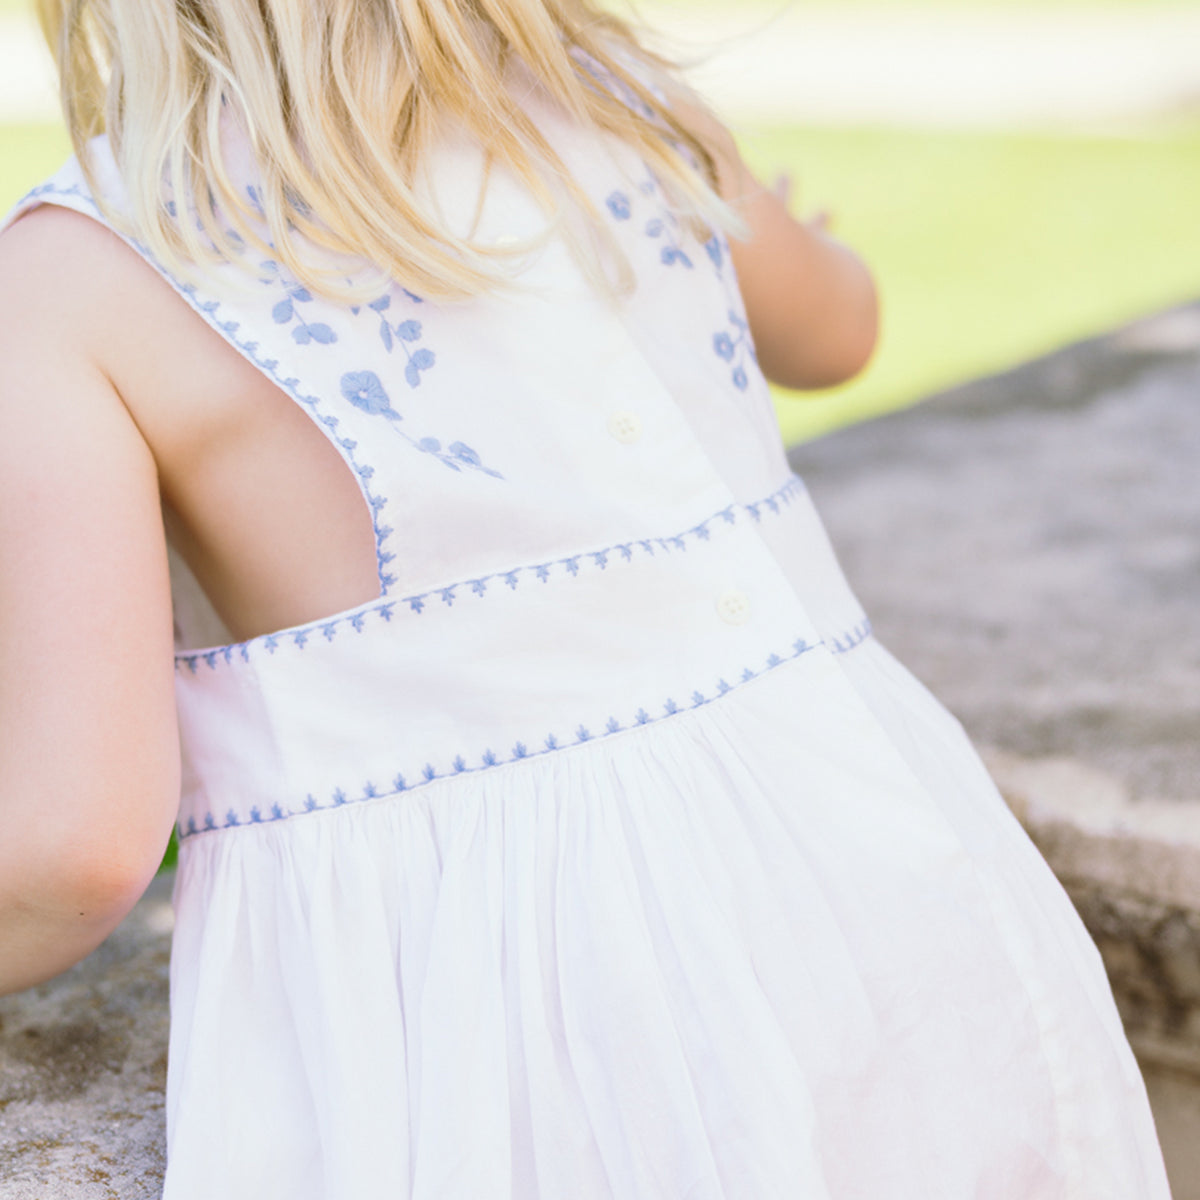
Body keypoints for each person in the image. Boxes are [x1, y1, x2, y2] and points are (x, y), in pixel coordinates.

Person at [0, 1, 1170, 1197]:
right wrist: (774, 232)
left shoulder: (73, 284)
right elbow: (838, 325)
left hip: (499, 1013)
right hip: (892, 886)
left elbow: (75, 853)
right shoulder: (629, 107)